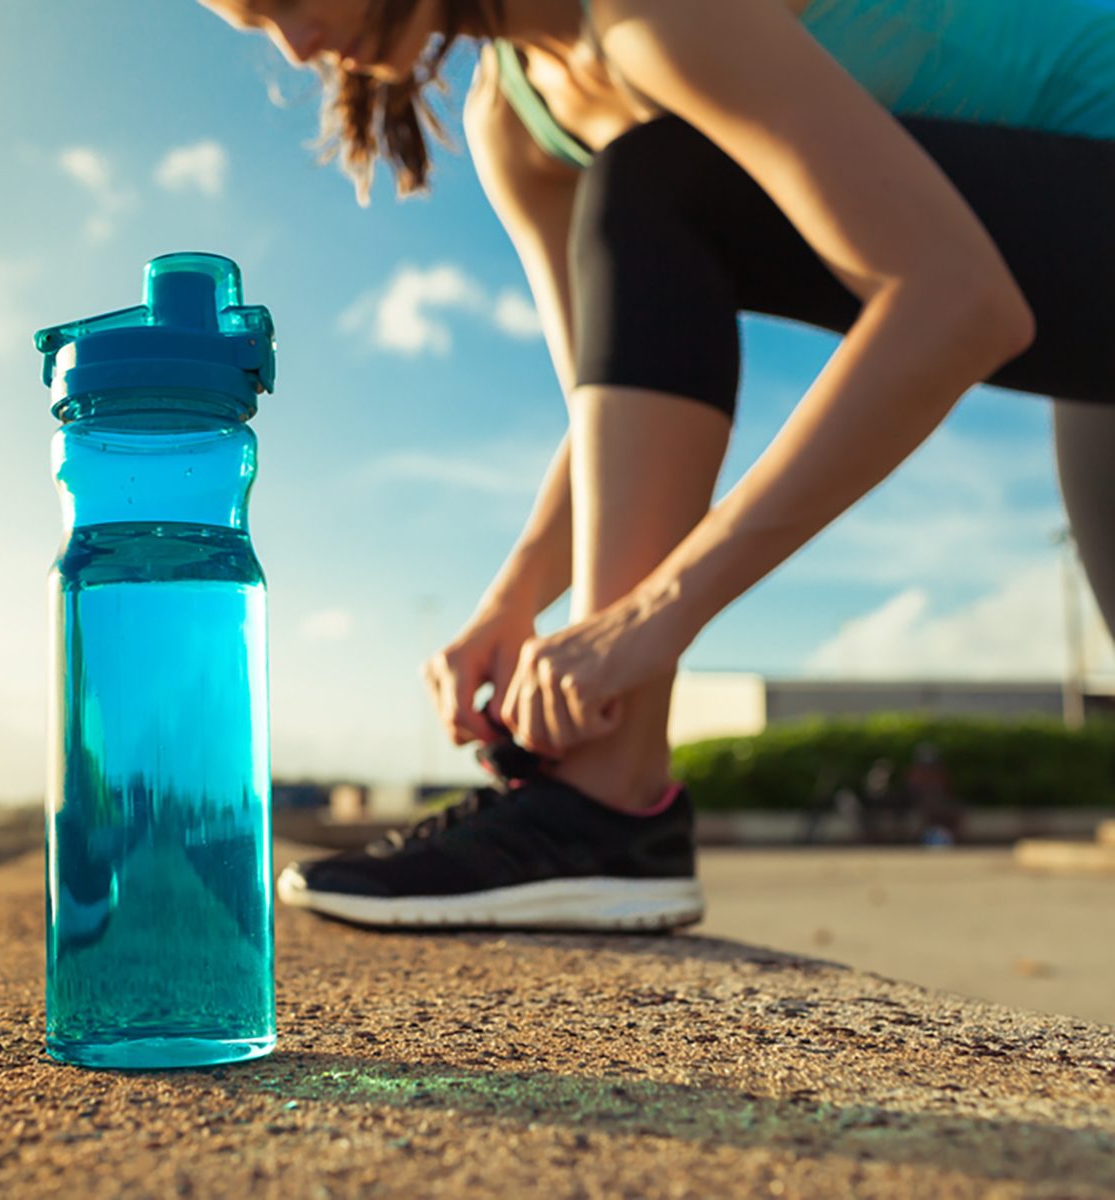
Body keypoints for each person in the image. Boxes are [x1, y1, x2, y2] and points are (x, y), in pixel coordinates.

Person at [200, 0, 1115, 930]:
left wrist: (652, 615)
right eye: (259, 27)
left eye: (288, 0)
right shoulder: (514, 122)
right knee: (648, 183)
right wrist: (512, 599)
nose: (300, 47)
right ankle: (603, 807)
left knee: (651, 177)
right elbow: (620, 412)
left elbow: (957, 303)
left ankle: (607, 802)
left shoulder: (651, 12)